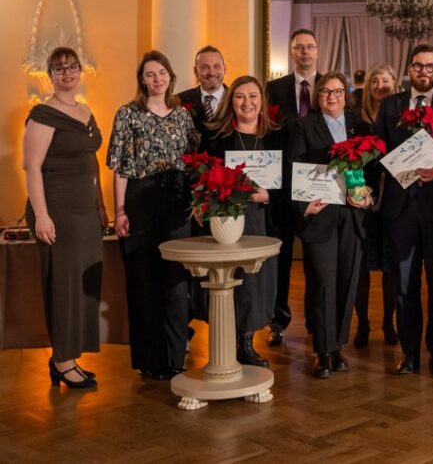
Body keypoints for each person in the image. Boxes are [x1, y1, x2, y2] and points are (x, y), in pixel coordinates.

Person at [374, 45, 433, 375]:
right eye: (418, 66)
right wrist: (397, 166)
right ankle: (409, 353)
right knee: (404, 284)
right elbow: (378, 149)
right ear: (408, 69)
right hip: (401, 208)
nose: (424, 72)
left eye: (430, 66)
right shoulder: (391, 105)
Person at [107, 50, 196, 380]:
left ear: (170, 77)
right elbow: (120, 167)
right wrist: (119, 210)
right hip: (139, 198)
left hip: (177, 200)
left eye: (162, 72)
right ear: (142, 80)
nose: (157, 79)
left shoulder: (183, 115)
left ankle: (175, 355)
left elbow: (193, 163)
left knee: (175, 281)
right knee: (142, 279)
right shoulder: (127, 114)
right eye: (150, 74)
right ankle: (150, 359)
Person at [23, 47, 107, 389]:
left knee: (82, 285)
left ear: (80, 71)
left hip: (85, 211)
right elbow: (31, 168)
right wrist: (42, 216)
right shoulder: (43, 114)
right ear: (51, 75)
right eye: (60, 69)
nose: (68, 73)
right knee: (63, 286)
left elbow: (91, 162)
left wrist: (100, 206)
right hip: (57, 209)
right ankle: (61, 360)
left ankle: (69, 356)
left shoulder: (85, 110)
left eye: (72, 67)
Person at [288, 72, 371, 378]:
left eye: (337, 91)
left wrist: (367, 197)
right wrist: (303, 206)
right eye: (325, 91)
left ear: (345, 96)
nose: (332, 96)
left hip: (352, 215)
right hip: (320, 213)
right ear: (317, 96)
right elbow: (293, 168)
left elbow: (372, 170)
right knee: (323, 282)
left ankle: (338, 346)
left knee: (347, 281)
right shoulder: (303, 126)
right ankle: (322, 350)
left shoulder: (360, 126)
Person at [201, 75, 284, 368]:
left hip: (263, 219)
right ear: (230, 101)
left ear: (262, 101)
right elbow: (205, 178)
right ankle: (227, 338)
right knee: (231, 278)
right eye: (239, 96)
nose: (247, 103)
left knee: (255, 282)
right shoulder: (217, 138)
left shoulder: (276, 136)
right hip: (228, 219)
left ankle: (246, 343)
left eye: (252, 96)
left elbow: (289, 181)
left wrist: (269, 195)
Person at [264, 28, 322, 347]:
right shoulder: (273, 89)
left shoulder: (329, 86)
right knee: (281, 257)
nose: (305, 52)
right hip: (283, 186)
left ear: (317, 51)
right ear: (291, 52)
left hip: (319, 184)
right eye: (299, 47)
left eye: (310, 47)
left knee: (317, 259)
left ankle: (316, 321)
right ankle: (278, 320)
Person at [351, 63, 400, 348]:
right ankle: (363, 325)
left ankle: (388, 323)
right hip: (362, 199)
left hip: (393, 199)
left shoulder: (401, 118)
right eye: (374, 81)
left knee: (391, 267)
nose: (380, 86)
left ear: (394, 84)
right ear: (367, 86)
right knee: (361, 267)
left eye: (385, 81)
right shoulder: (355, 118)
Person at [177, 45, 227, 148]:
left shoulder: (238, 100)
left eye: (216, 66)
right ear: (196, 71)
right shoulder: (179, 101)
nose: (212, 72)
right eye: (204, 67)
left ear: (224, 69)